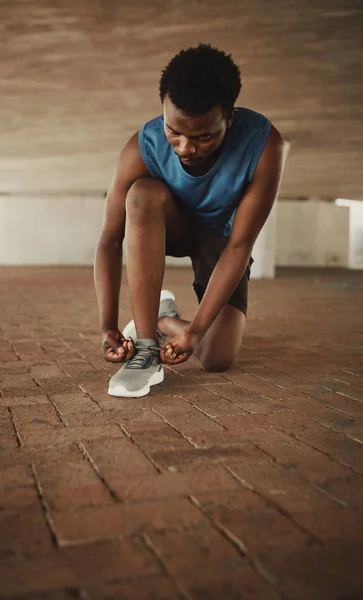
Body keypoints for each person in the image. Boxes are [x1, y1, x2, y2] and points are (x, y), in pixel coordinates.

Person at [94, 43, 286, 398]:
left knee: (216, 357)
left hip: (222, 238)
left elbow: (240, 245)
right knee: (142, 194)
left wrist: (195, 330)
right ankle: (148, 346)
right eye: (174, 132)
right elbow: (109, 239)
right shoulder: (143, 145)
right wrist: (106, 325)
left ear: (230, 117)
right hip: (171, 225)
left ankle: (164, 317)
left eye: (204, 137)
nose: (185, 147)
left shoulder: (264, 144)